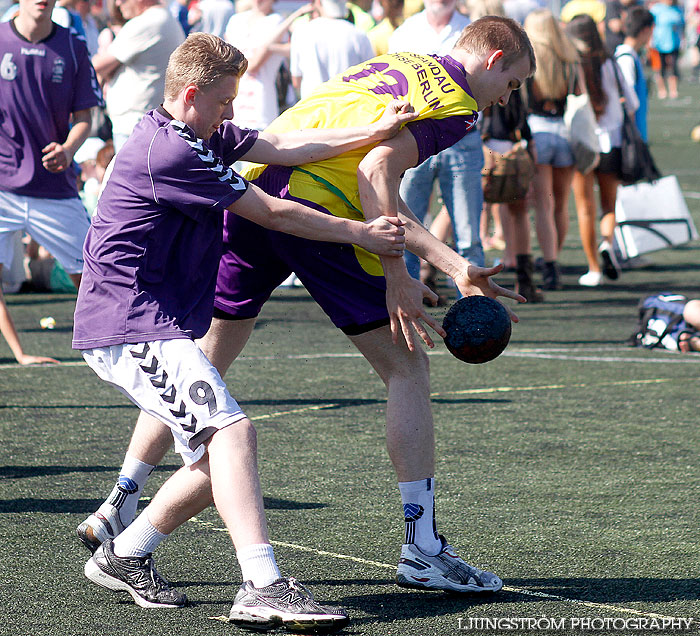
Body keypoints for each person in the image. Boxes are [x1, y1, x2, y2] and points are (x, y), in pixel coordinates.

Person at [79, 16, 535, 599]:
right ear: (493, 59)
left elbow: (299, 141)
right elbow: (374, 174)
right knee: (405, 367)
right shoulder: (456, 103)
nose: (508, 97)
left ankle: (121, 506)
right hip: (304, 213)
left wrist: (450, 264)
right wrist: (397, 269)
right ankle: (420, 550)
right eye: (514, 82)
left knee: (205, 370)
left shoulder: (394, 60)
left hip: (258, 185)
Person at [74, 32, 415, 629]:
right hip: (127, 325)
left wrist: (372, 129)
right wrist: (360, 234)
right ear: (189, 95)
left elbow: (284, 144)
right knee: (232, 436)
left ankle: (125, 552)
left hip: (150, 323)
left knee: (222, 456)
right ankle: (261, 586)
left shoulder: (196, 133)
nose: (232, 112)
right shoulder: (170, 151)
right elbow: (273, 211)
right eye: (225, 100)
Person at [0, 0, 102, 364]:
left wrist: (70, 149)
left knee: (96, 275)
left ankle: (120, 349)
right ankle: (18, 352)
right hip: (2, 186)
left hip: (54, 189)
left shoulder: (73, 46)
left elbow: (85, 117)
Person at [389, 0, 487, 286]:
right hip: (414, 139)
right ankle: (411, 301)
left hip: (462, 139)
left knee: (468, 234)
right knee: (404, 231)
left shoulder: (472, 31)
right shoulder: (406, 31)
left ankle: (475, 311)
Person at [565, 13, 637, 287]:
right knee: (608, 205)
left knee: (584, 208)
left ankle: (593, 268)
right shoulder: (610, 62)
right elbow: (632, 103)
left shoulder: (571, 65)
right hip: (612, 142)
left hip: (583, 143)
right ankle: (608, 243)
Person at [524, 9, 580, 292]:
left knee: (543, 205)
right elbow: (580, 96)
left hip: (538, 131)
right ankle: (554, 262)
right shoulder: (569, 57)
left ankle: (549, 264)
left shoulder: (530, 62)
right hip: (565, 130)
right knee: (561, 203)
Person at [90, 0, 185, 151]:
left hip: (136, 125)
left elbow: (97, 66)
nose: (118, 3)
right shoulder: (164, 18)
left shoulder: (147, 22)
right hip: (148, 123)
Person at [224, 0, 310, 131]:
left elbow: (253, 65)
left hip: (260, 109)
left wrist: (269, 47)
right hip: (234, 105)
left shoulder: (276, 21)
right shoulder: (236, 20)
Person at [290, 0, 374, 100]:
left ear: (318, 2)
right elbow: (370, 78)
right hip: (347, 106)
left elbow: (296, 81)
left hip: (312, 106)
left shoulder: (301, 32)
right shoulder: (359, 35)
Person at [615, 6, 654, 142]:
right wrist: (632, 139)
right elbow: (627, 101)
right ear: (646, 30)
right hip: (633, 137)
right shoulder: (626, 59)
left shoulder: (632, 56)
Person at [649, 0, 684, 100]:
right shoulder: (656, 9)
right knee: (660, 68)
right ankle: (662, 89)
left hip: (674, 43)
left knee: (673, 67)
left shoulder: (678, 9)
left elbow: (681, 24)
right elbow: (650, 25)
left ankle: (673, 90)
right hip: (658, 43)